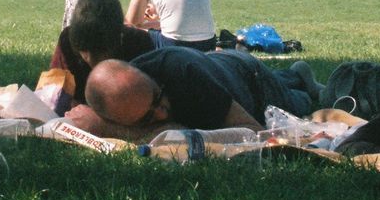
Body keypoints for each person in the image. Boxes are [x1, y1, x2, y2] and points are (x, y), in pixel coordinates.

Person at [74, 46, 320, 139]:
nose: (161, 113)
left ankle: (300, 78)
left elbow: (255, 132)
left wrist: (111, 131)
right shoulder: (121, 95)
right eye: (146, 118)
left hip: (249, 79)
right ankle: (290, 76)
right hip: (215, 68)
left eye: (157, 98)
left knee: (301, 105)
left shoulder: (185, 77)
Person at [51, 0, 154, 106]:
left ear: (120, 37)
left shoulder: (139, 44)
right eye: (84, 52)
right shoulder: (67, 40)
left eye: (100, 52)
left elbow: (149, 106)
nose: (90, 59)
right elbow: (54, 92)